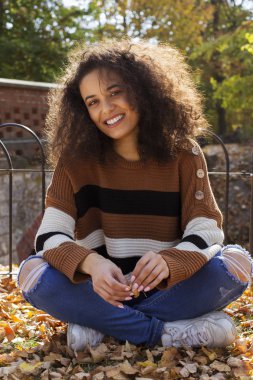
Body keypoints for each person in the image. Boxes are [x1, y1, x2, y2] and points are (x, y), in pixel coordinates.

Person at [17, 39, 252, 351]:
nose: (106, 109)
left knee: (237, 262)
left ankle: (102, 325)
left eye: (115, 92)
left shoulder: (185, 153)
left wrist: (172, 260)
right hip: (101, 290)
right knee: (32, 273)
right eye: (93, 101)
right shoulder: (74, 161)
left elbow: (206, 228)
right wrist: (92, 264)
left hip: (168, 289)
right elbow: (48, 237)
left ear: (143, 88)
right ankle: (164, 334)